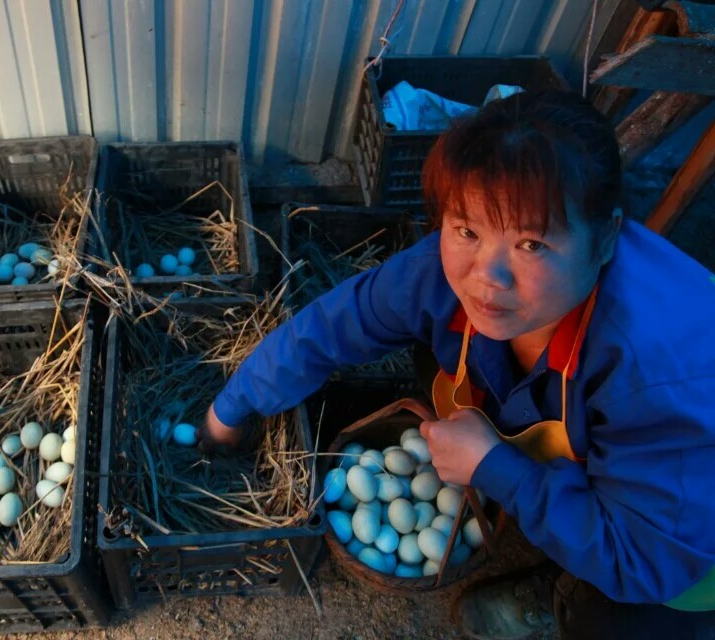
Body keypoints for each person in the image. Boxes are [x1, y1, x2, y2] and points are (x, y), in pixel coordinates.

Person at [198, 90, 715, 639]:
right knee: (442, 346)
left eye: (532, 244)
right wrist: (234, 406)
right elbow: (333, 326)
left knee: (617, 619)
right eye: (467, 229)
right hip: (615, 463)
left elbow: (647, 561)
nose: (487, 275)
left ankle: (565, 593)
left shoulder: (656, 370)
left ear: (607, 236)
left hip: (687, 540)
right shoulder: (446, 271)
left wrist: (496, 468)